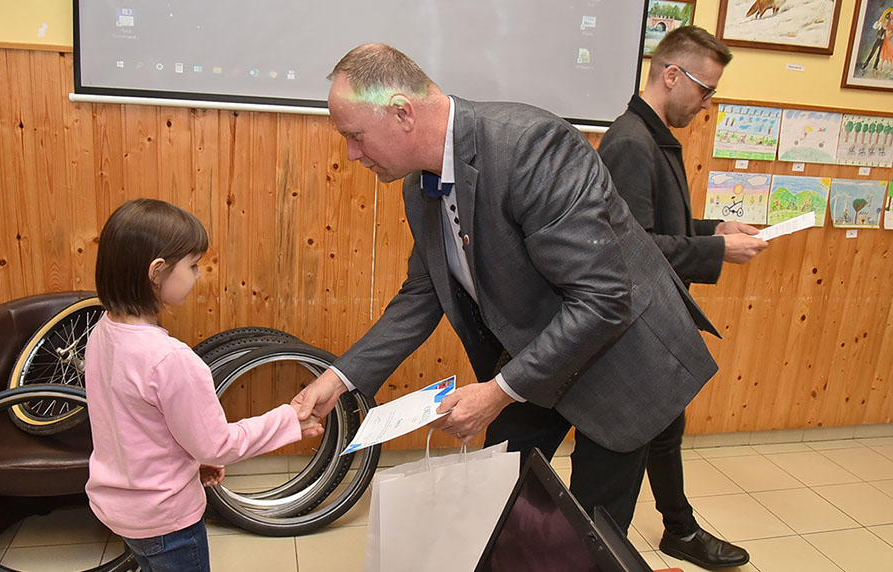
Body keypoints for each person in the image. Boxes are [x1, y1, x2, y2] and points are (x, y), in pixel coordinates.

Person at [293, 43, 722, 532]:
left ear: (402, 113)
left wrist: (498, 391)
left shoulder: (531, 147)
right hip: (542, 356)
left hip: (623, 358)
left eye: (355, 136)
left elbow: (603, 298)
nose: (351, 154)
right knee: (501, 498)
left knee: (589, 534)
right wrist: (339, 379)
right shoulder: (418, 185)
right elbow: (421, 296)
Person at [598, 26, 767, 569]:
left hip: (656, 317)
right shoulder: (632, 141)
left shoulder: (652, 136)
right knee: (632, 449)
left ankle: (679, 528)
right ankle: (639, 538)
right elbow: (634, 247)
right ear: (671, 75)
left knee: (667, 429)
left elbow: (661, 227)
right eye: (705, 89)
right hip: (637, 324)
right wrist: (717, 252)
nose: (707, 102)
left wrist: (715, 228)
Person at [85, 199, 323, 572]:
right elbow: (217, 444)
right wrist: (289, 420)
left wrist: (192, 462)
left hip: (124, 512)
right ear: (157, 271)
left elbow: (139, 429)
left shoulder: (102, 331)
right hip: (169, 522)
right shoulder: (170, 359)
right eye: (193, 265)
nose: (198, 275)